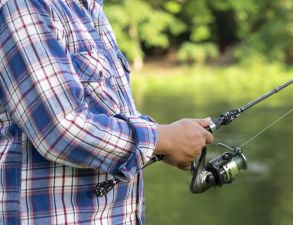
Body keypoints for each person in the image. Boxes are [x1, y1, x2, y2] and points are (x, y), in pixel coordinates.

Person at [0, 0, 213, 224]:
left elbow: (108, 113)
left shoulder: (90, 9)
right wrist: (163, 139)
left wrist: (165, 140)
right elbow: (60, 128)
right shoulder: (24, 5)